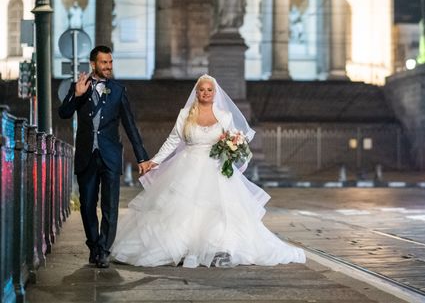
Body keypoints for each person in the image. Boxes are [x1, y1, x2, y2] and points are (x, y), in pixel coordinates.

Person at [110, 74, 306, 268]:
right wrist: (154, 161)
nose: (205, 93)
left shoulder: (225, 116)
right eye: (202, 90)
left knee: (218, 210)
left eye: (209, 90)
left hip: (215, 168)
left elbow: (234, 141)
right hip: (187, 167)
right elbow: (172, 141)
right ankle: (183, 247)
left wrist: (236, 153)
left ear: (215, 93)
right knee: (180, 209)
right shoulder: (185, 114)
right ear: (197, 92)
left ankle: (218, 248)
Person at [58, 45, 150, 268]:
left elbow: (130, 126)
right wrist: (77, 96)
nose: (108, 67)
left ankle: (104, 250)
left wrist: (142, 157)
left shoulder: (118, 90)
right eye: (104, 63)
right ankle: (94, 245)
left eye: (110, 63)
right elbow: (64, 113)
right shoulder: (79, 87)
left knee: (110, 206)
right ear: (93, 64)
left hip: (110, 156)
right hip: (86, 156)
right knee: (88, 205)